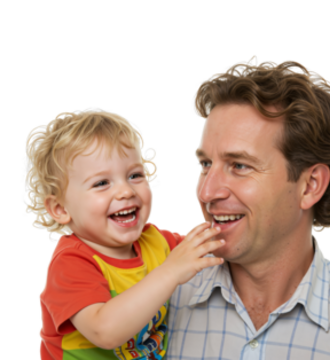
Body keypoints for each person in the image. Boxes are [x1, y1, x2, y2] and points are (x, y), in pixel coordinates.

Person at [166, 55, 330, 359]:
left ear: (310, 185)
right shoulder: (157, 304)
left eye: (239, 165)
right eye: (205, 164)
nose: (206, 192)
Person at [31, 108, 225, 359]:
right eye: (102, 183)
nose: (125, 191)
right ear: (60, 209)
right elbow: (104, 332)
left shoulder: (157, 241)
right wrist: (171, 272)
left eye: (134, 175)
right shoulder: (70, 264)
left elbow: (202, 258)